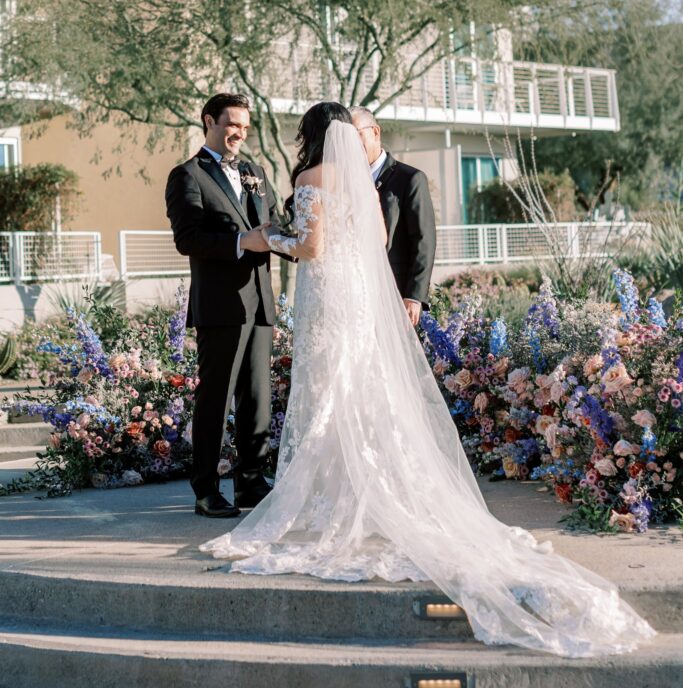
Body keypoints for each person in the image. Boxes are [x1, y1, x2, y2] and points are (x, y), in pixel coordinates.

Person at [200, 102, 654, 657]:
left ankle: (336, 495)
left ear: (312, 136)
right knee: (362, 393)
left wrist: (272, 238)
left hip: (328, 300)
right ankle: (364, 489)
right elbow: (375, 245)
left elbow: (312, 248)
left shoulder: (311, 177)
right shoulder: (365, 184)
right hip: (361, 299)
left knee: (329, 395)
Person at [166, 92, 284, 518]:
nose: (239, 133)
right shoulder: (187, 175)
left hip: (259, 303)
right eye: (232, 124)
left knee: (257, 399)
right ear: (209, 121)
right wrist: (240, 241)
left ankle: (251, 481)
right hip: (219, 308)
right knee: (215, 400)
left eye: (245, 128)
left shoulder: (255, 171)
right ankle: (205, 490)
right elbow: (188, 239)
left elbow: (270, 227)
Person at [350, 106, 436, 326]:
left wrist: (414, 296)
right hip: (353, 294)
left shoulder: (410, 179)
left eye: (356, 134)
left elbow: (423, 240)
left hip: (394, 292)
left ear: (375, 132)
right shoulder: (341, 181)